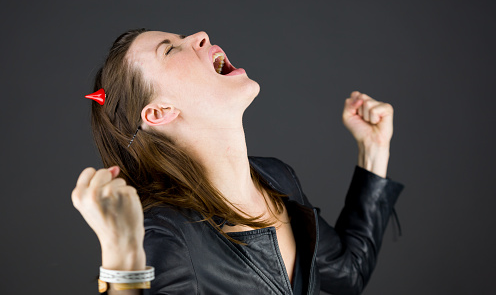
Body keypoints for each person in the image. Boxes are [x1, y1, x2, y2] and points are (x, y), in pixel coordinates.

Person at [72, 28, 404, 295]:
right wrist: (121, 255)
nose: (199, 35)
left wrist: (374, 149)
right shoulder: (166, 235)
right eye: (169, 49)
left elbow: (348, 274)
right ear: (160, 112)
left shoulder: (277, 178)